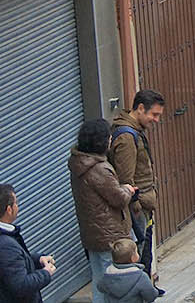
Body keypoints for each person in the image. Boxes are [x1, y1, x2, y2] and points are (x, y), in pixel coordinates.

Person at [68, 118, 133, 303]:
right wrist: (127, 189)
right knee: (112, 284)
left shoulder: (78, 163)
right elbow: (119, 199)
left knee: (99, 282)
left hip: (92, 234)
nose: (111, 140)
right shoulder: (99, 169)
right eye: (109, 137)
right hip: (110, 235)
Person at [0, 183, 56, 302]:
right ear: (9, 210)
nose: (17, 206)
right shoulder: (2, 246)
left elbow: (10, 265)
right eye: (16, 203)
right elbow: (21, 286)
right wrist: (46, 273)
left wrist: (37, 260)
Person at [109, 89, 163, 281]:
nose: (156, 120)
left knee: (145, 254)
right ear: (140, 108)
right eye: (153, 115)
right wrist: (137, 206)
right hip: (137, 208)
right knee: (139, 256)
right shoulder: (126, 137)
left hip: (144, 205)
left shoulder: (134, 132)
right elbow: (125, 179)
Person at [96, 238, 157, 303]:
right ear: (133, 258)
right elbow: (151, 296)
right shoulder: (141, 276)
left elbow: (100, 287)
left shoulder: (108, 275)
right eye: (136, 251)